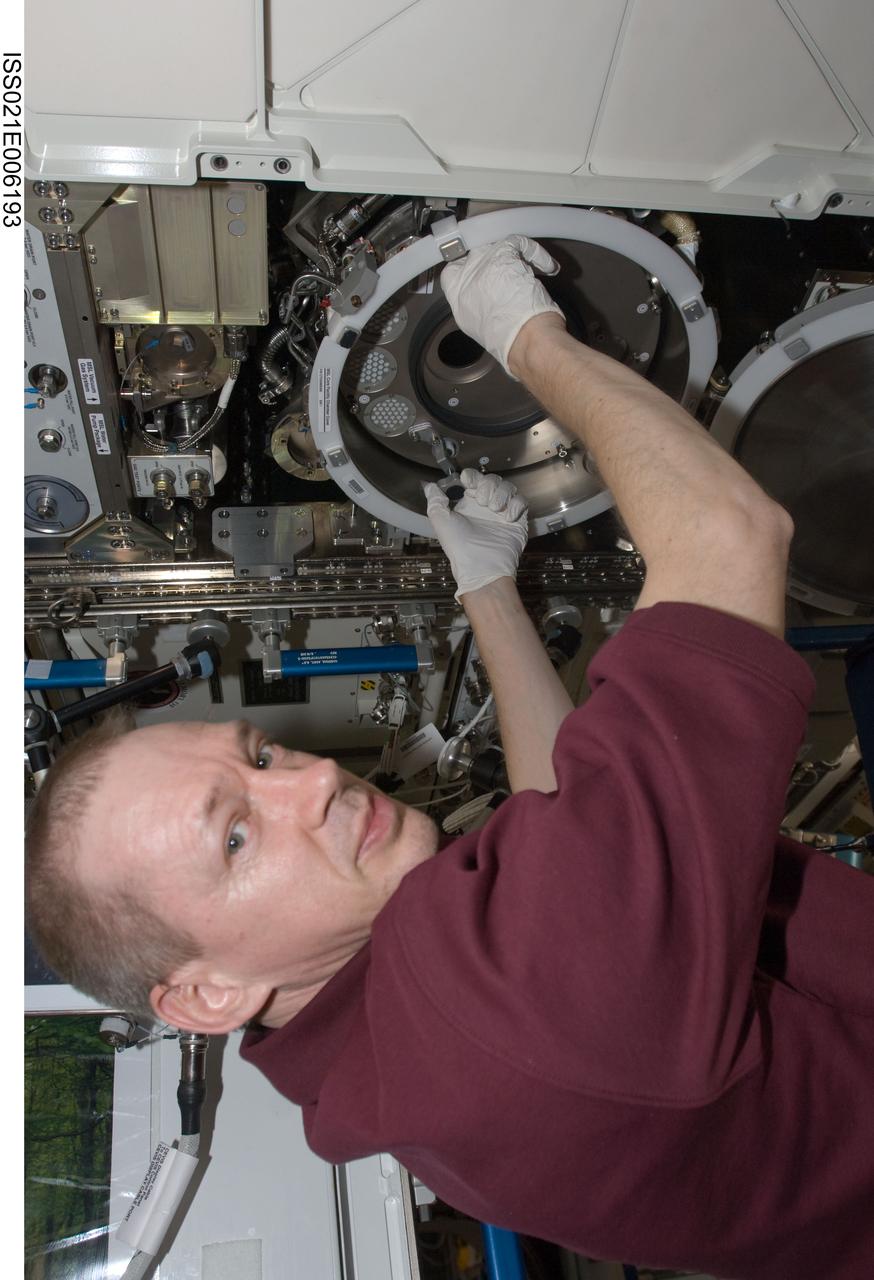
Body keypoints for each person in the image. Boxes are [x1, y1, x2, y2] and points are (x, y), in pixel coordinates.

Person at [26, 239, 874, 1279]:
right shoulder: (497, 1024)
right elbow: (730, 534)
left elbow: (565, 831)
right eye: (237, 836)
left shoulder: (393, 1046)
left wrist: (488, 589)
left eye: (261, 757)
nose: (315, 783)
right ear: (204, 997)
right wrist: (524, 335)